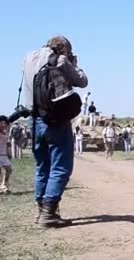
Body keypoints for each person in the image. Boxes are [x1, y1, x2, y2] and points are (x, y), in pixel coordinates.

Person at [22, 35, 88, 227]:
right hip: (55, 121)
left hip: (34, 120)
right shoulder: (59, 59)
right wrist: (72, 63)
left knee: (42, 167)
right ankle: (49, 213)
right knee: (60, 167)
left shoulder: (27, 58)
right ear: (63, 48)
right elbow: (82, 81)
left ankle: (40, 211)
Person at [0, 115, 13, 194]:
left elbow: (8, 143)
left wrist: (9, 152)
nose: (3, 124)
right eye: (1, 123)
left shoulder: (5, 132)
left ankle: (4, 184)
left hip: (4, 155)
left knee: (9, 170)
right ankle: (2, 188)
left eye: (5, 123)